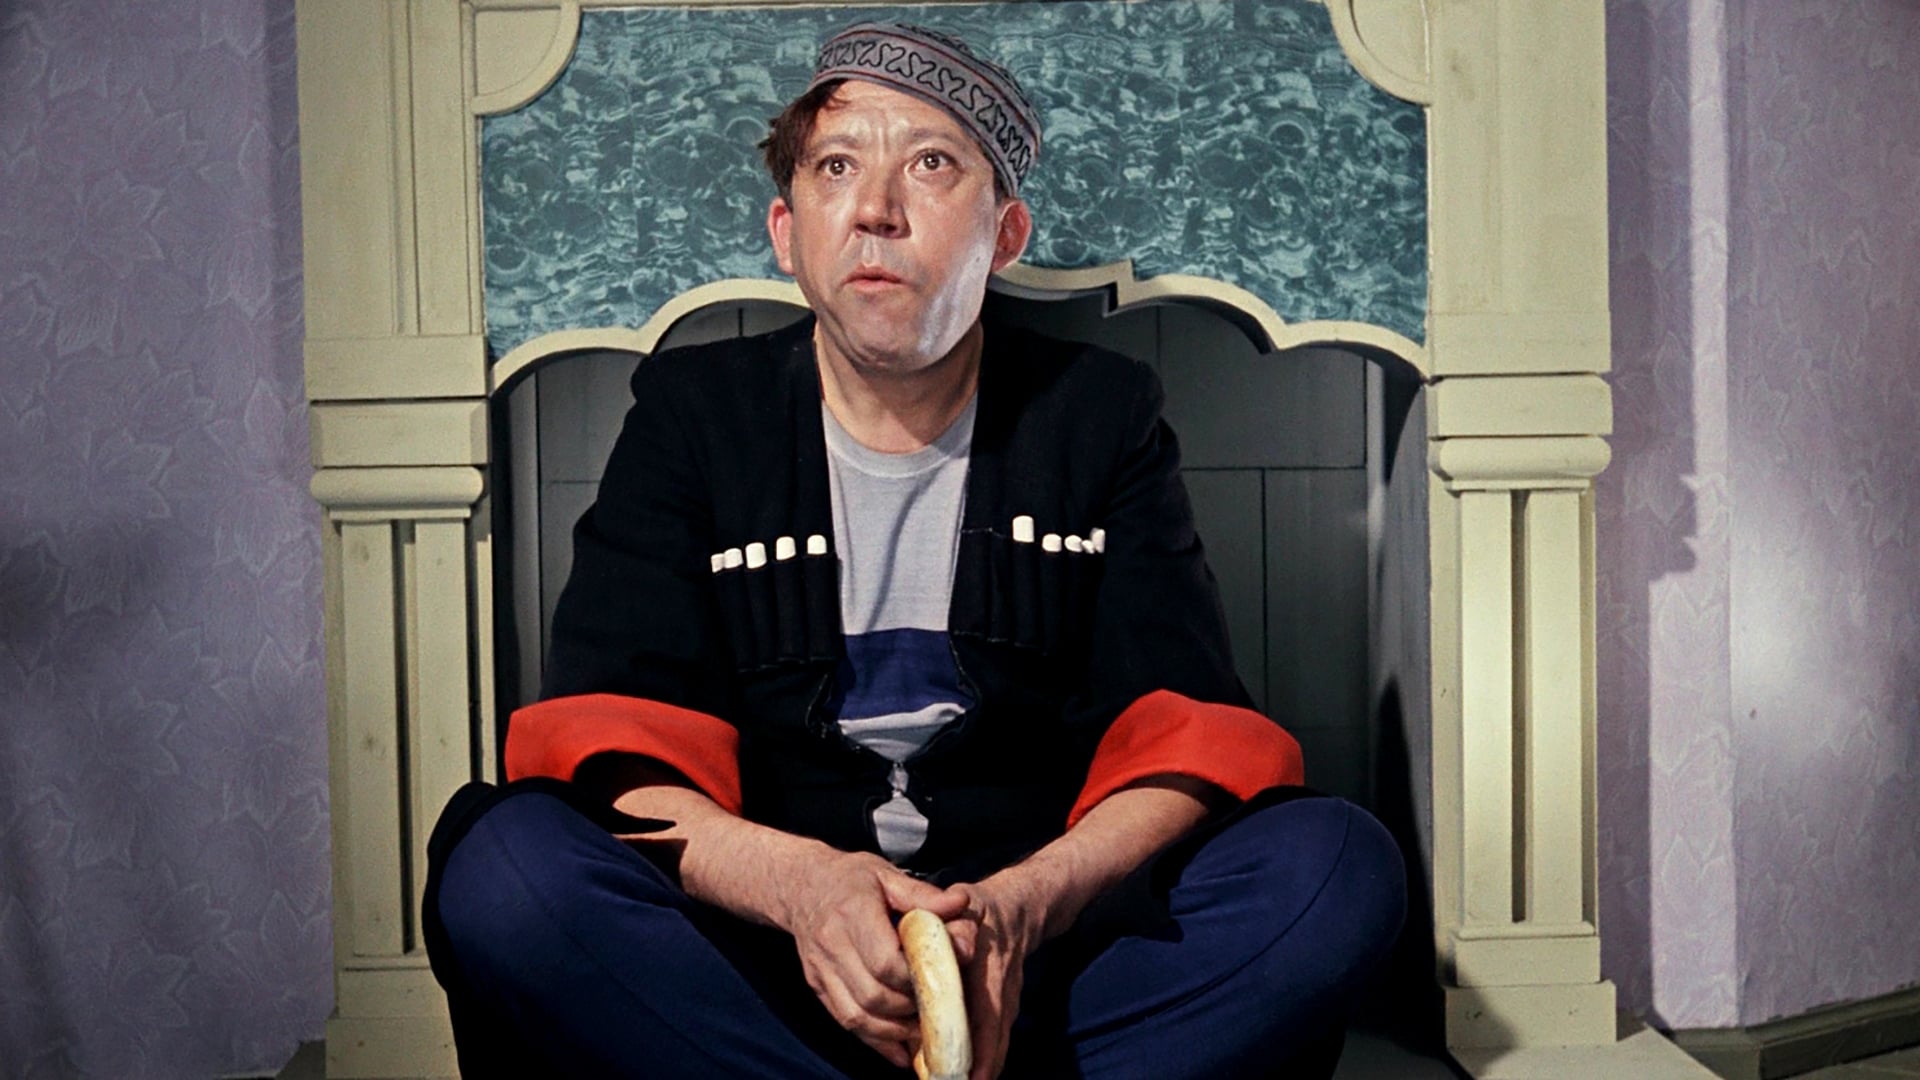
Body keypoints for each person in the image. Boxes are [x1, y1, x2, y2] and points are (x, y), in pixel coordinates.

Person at [424, 21, 1405, 1080]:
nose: (876, 210)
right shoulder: (692, 413)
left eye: (931, 165)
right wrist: (799, 887)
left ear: (1006, 232)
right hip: (759, 963)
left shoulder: (1099, 414)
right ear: (788, 230)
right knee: (504, 868)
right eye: (836, 167)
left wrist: (1026, 905)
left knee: (1335, 866)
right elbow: (614, 743)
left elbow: (1184, 730)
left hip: (1036, 962)